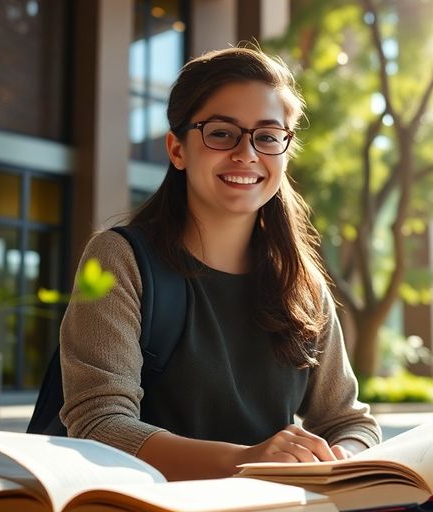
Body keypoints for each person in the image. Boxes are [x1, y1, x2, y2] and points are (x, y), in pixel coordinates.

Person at [58, 47, 381, 481]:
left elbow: (350, 422)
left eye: (267, 136)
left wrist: (337, 460)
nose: (247, 153)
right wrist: (243, 460)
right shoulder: (119, 259)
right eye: (222, 133)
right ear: (177, 149)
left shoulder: (301, 285)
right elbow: (98, 424)